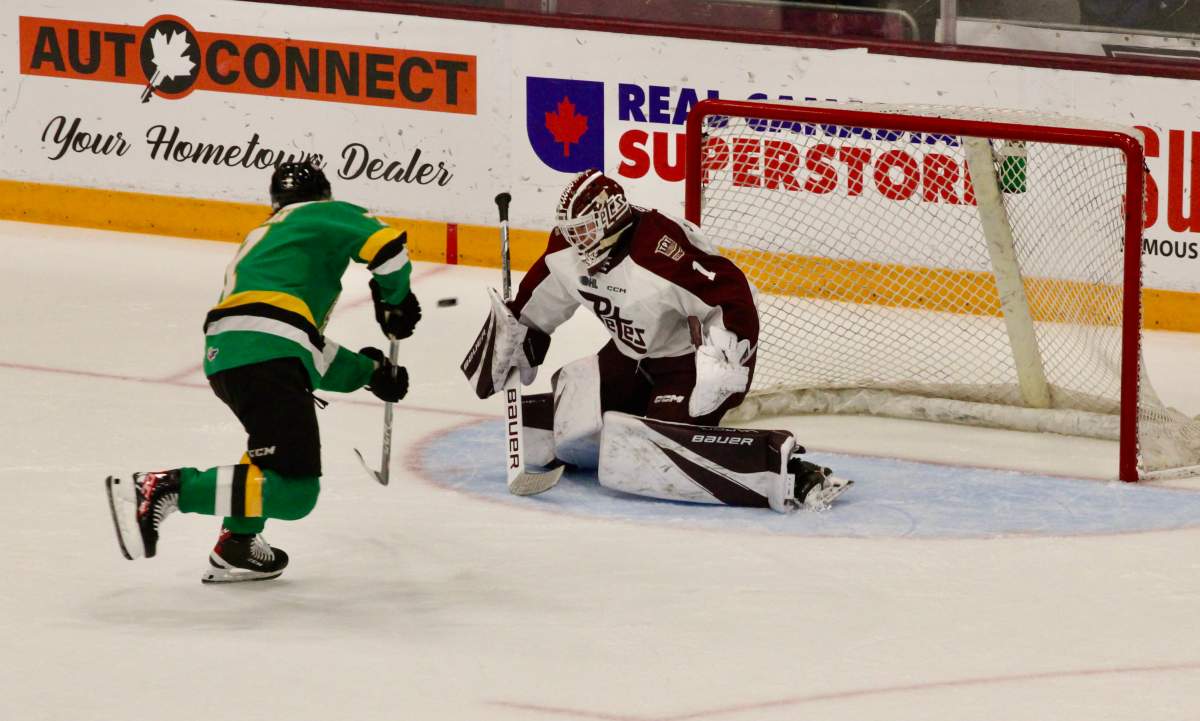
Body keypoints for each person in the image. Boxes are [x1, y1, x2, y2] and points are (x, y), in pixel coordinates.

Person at [462, 169, 851, 512]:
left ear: (609, 217)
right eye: (570, 231)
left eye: (583, 230)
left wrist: (727, 362)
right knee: (567, 420)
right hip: (627, 357)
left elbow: (731, 294)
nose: (575, 241)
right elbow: (532, 308)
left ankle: (785, 471)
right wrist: (515, 340)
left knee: (650, 450)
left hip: (683, 366)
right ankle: (606, 426)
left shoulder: (658, 248)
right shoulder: (567, 251)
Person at [105, 160, 420, 583]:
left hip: (230, 356)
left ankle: (237, 543)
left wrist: (369, 372)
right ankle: (164, 488)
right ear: (323, 194)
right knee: (294, 492)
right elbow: (388, 247)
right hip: (268, 354)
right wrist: (394, 301)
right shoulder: (321, 213)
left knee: (269, 459)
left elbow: (296, 344)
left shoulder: (268, 246)